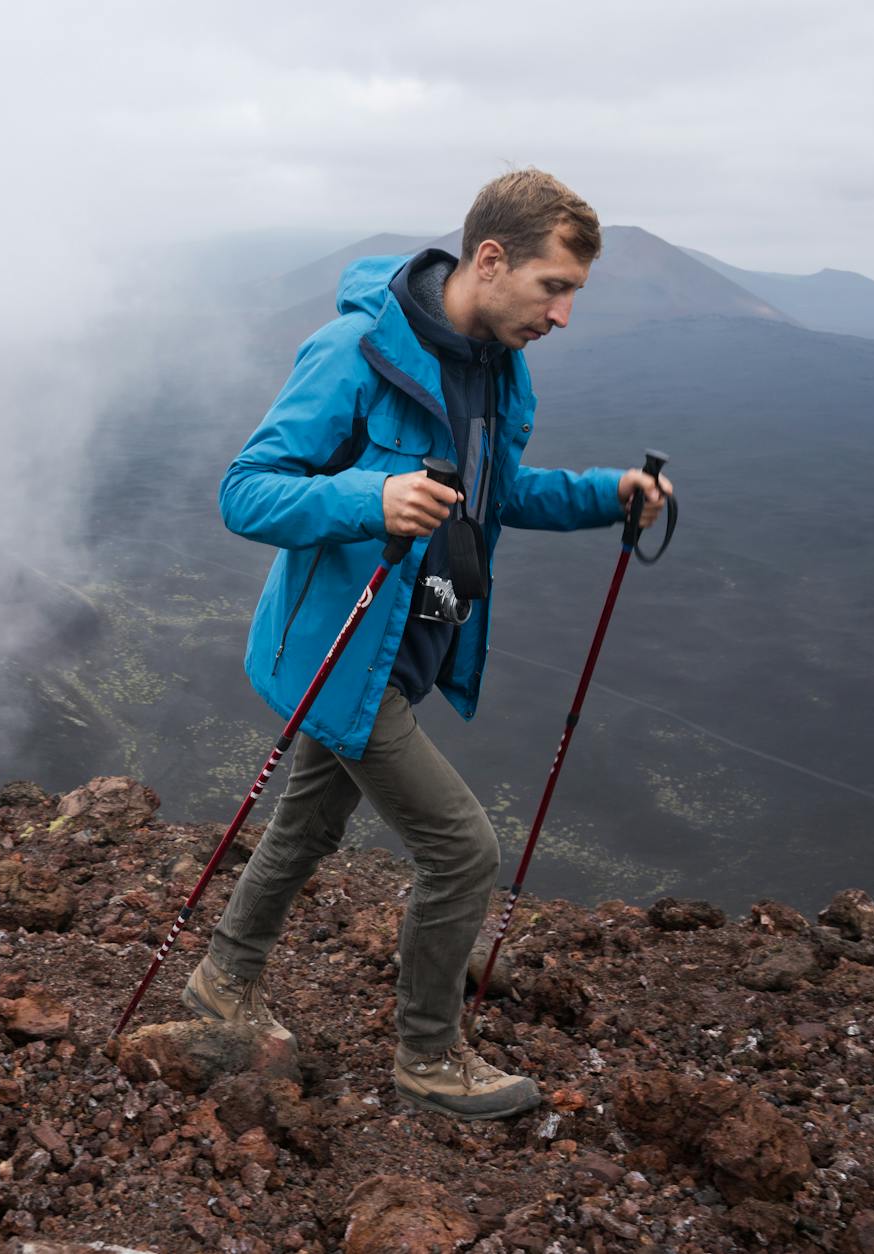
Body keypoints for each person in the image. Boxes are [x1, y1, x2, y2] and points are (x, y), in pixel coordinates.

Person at [185, 168, 671, 1121]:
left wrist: (602, 493)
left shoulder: (497, 367)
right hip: (344, 650)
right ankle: (429, 1057)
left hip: (406, 648)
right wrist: (371, 497)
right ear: (489, 260)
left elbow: (493, 495)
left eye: (573, 292)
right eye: (553, 287)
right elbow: (245, 491)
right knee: (462, 851)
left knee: (308, 825)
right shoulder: (356, 351)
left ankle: (222, 979)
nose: (563, 315)